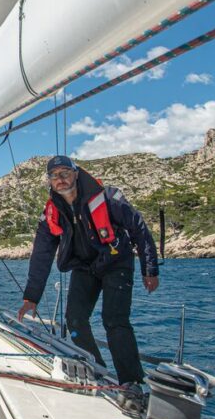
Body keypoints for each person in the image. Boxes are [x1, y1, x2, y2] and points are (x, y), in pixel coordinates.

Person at [17, 155, 159, 392]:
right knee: (74, 319)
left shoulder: (108, 198)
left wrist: (150, 269)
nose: (60, 179)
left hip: (116, 263)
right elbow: (41, 255)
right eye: (54, 176)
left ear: (76, 173)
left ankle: (132, 382)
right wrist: (31, 297)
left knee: (114, 320)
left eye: (65, 173)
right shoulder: (52, 212)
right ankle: (96, 369)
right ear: (49, 181)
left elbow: (139, 229)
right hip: (84, 267)